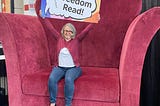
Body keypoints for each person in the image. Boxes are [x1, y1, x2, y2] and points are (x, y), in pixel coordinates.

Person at [48, 22, 94, 106]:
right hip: (60, 67)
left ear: (73, 32)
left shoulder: (77, 39)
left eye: (70, 31)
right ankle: (53, 102)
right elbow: (50, 28)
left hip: (73, 68)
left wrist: (94, 21)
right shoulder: (59, 38)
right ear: (63, 31)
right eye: (65, 31)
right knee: (52, 78)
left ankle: (68, 104)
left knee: (68, 79)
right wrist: (43, 18)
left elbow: (86, 31)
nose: (67, 33)